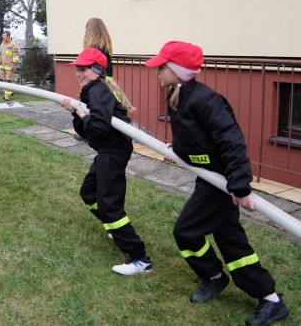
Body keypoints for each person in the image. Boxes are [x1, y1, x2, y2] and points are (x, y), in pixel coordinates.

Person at [145, 40, 289, 325]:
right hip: (208, 178)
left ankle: (214, 277)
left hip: (221, 183)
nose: (157, 71)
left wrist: (240, 187)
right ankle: (269, 299)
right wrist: (179, 153)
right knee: (231, 240)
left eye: (162, 66)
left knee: (186, 231)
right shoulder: (177, 94)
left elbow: (231, 142)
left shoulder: (206, 99)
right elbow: (196, 136)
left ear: (177, 69)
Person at [60, 47, 151, 276]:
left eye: (83, 69)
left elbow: (98, 128)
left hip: (113, 152)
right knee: (89, 193)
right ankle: (114, 228)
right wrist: (76, 113)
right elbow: (89, 129)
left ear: (96, 70)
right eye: (77, 68)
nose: (78, 73)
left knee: (110, 206)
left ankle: (140, 259)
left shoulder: (98, 90)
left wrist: (82, 115)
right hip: (106, 151)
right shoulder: (93, 89)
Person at [0, 30, 20, 101]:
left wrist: (14, 63)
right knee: (0, 80)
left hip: (9, 66)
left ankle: (7, 97)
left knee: (8, 81)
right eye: (3, 36)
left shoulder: (13, 45)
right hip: (1, 66)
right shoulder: (2, 44)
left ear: (8, 36)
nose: (3, 38)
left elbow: (16, 55)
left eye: (4, 36)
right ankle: (9, 92)